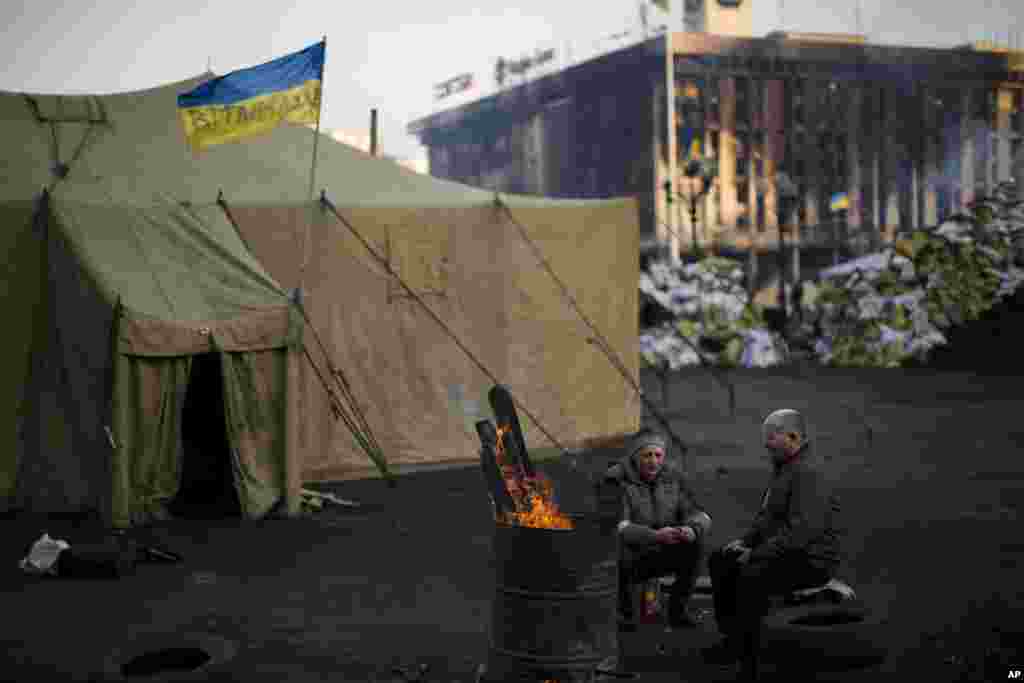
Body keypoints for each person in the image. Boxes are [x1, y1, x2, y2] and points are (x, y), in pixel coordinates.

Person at [703, 409, 843, 678]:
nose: (766, 444)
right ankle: (733, 641)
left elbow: (802, 532)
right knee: (722, 560)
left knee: (750, 576)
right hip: (785, 550)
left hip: (812, 559)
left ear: (793, 437)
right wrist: (745, 542)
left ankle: (750, 661)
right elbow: (768, 517)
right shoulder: (785, 466)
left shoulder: (808, 472)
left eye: (771, 437)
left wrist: (757, 553)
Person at [603, 428, 712, 631]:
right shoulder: (617, 480)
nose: (653, 461)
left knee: (696, 545)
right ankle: (624, 614)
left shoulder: (672, 478)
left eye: (658, 455)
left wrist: (691, 529)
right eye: (647, 455)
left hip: (661, 547)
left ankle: (678, 611)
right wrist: (654, 536)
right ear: (635, 457)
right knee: (617, 548)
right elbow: (618, 526)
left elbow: (697, 513)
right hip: (631, 555)